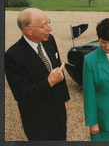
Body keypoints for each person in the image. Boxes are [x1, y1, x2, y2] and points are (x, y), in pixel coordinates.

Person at [5, 8, 70, 140]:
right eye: (44, 26)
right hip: (39, 122)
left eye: (48, 22)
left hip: (59, 112)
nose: (50, 29)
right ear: (28, 30)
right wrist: (49, 82)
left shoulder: (49, 40)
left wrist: (64, 99)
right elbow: (22, 94)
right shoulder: (13, 56)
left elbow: (58, 69)